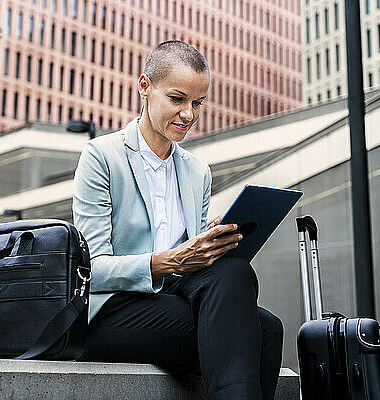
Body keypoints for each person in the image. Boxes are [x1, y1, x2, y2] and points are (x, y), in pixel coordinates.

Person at [72, 40, 283, 400]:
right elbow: (92, 269)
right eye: (177, 99)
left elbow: (197, 267)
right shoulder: (101, 156)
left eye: (197, 103)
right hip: (112, 309)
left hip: (171, 298)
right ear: (145, 87)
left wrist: (212, 242)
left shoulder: (197, 171)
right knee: (253, 330)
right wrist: (168, 261)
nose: (189, 114)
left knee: (248, 293)